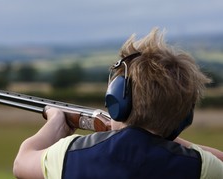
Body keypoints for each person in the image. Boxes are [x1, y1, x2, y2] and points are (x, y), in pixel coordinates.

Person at [13, 28, 223, 179]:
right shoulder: (200, 166)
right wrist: (165, 133)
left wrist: (56, 122)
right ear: (184, 118)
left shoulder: (71, 153)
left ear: (118, 101)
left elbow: (22, 162)